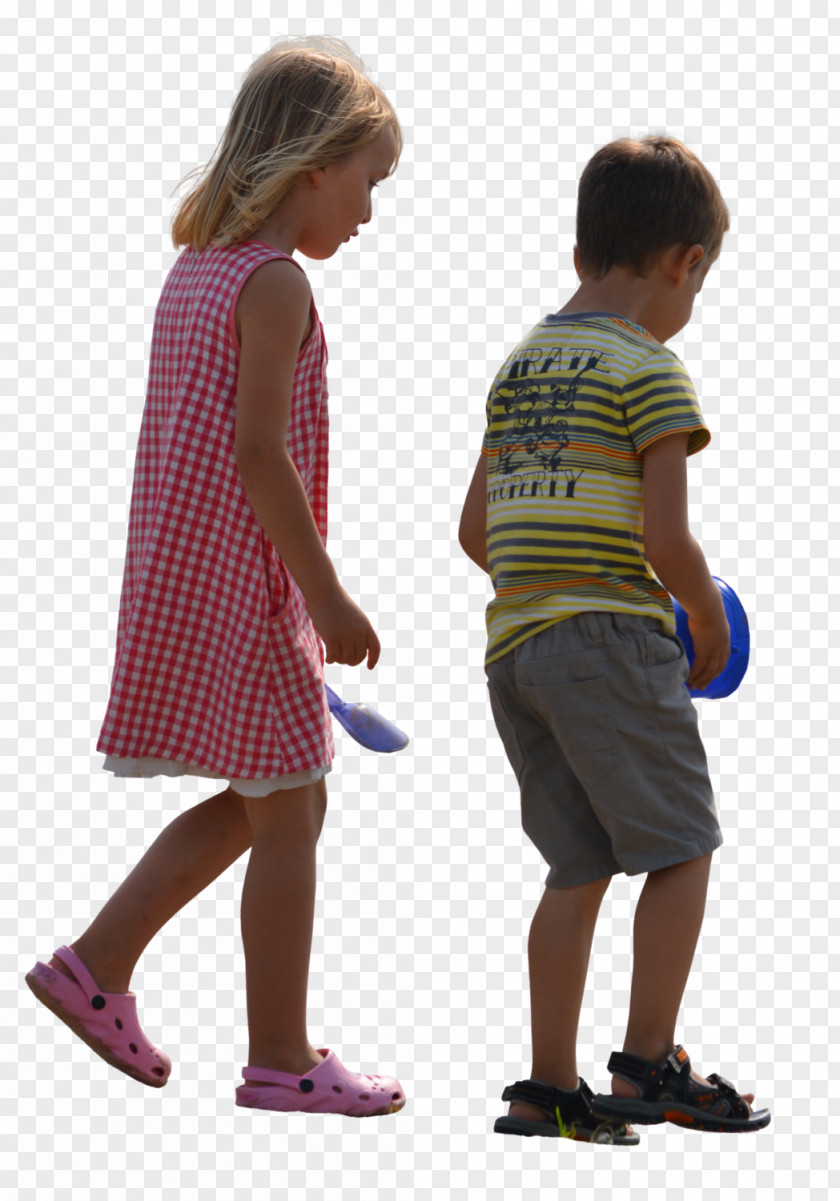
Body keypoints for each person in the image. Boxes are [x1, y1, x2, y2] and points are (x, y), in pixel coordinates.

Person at [26, 37, 405, 1119]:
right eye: (368, 183)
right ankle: (280, 1057)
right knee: (295, 806)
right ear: (312, 165)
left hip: (180, 573)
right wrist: (325, 594)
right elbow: (256, 451)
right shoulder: (276, 283)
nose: (370, 213)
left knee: (262, 801)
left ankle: (95, 965)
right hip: (246, 584)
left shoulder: (197, 271)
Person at [458, 135, 771, 1142]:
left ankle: (546, 1087)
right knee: (683, 846)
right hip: (612, 639)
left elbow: (476, 532)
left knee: (576, 864)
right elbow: (664, 536)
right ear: (685, 261)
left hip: (517, 650)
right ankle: (645, 1068)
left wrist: (547, 587)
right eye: (702, 280)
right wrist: (706, 616)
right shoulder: (651, 365)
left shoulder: (520, 364)